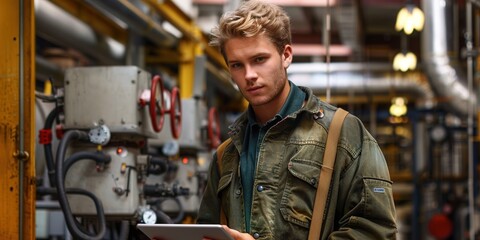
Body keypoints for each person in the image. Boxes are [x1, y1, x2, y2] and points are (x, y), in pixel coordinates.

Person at [196, 1, 397, 239]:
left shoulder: (343, 133)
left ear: (286, 55)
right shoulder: (226, 155)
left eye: (259, 59)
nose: (249, 75)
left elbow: (376, 232)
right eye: (237, 65)